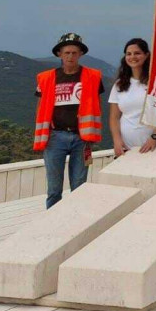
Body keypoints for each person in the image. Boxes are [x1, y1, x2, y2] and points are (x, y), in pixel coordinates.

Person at [34, 33, 104, 209]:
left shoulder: (94, 76)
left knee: (79, 188)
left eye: (74, 52)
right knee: (54, 189)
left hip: (82, 138)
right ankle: (51, 224)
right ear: (59, 54)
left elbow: (96, 105)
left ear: (80, 54)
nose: (70, 56)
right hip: (55, 136)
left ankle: (75, 223)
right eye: (67, 52)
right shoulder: (46, 78)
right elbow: (40, 107)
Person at [109, 38, 156, 156]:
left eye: (137, 53)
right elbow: (114, 118)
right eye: (129, 54)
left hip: (153, 147)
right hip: (126, 148)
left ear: (146, 55)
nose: (132, 57)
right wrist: (117, 140)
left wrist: (154, 137)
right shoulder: (119, 85)